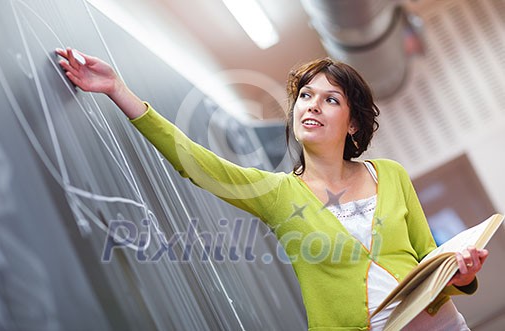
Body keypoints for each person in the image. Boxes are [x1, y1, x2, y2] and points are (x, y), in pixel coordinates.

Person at [56, 47, 488, 330]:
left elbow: (427, 260)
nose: (312, 104)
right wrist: (119, 90)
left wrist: (461, 273)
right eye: (305, 95)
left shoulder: (389, 174)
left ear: (353, 123)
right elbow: (196, 164)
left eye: (331, 99)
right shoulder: (279, 193)